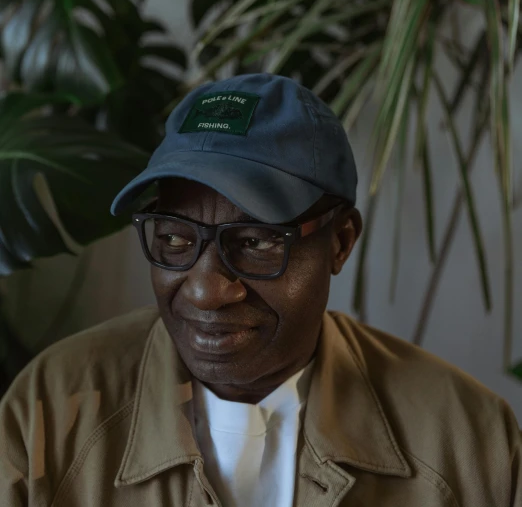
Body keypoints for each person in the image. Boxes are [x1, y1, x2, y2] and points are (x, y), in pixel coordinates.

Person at [0, 72, 520, 507]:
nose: (205, 291)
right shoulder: (49, 410)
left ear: (340, 243)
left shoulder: (469, 443)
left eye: (255, 242)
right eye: (175, 238)